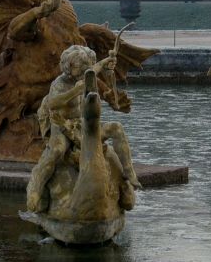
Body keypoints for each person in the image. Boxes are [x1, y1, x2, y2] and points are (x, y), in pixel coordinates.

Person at [27, 45, 139, 212]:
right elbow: (52, 103)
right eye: (81, 70)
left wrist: (108, 61)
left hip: (83, 126)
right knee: (56, 151)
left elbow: (96, 68)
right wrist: (75, 91)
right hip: (61, 124)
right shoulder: (60, 82)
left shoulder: (85, 75)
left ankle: (128, 175)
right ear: (69, 67)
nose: (85, 74)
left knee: (116, 128)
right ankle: (37, 187)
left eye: (87, 69)